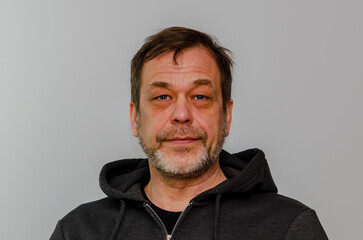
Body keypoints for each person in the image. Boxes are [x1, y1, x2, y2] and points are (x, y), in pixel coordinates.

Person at [50, 27, 328, 240]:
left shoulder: (290, 227)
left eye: (200, 97)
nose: (181, 114)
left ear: (226, 116)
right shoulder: (77, 230)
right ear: (135, 118)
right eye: (161, 97)